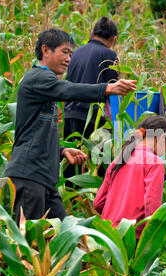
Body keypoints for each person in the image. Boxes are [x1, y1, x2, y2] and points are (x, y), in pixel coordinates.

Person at [4, 28, 136, 224]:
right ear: (46, 50)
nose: (68, 59)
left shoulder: (46, 84)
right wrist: (107, 88)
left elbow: (35, 132)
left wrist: (62, 150)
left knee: (65, 234)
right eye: (64, 52)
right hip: (29, 175)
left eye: (70, 54)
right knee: (28, 241)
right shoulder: (37, 78)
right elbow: (67, 89)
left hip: (44, 179)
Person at [93, 116, 166, 239]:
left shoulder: (119, 160)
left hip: (107, 235)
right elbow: (152, 204)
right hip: (133, 235)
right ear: (162, 138)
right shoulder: (155, 162)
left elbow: (98, 203)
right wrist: (152, 235)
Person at [63, 17, 119, 185]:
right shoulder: (109, 54)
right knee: (98, 164)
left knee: (72, 162)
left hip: (71, 113)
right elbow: (114, 89)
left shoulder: (76, 52)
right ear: (113, 39)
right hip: (93, 119)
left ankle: (71, 201)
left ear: (92, 33)